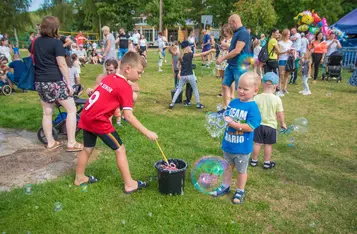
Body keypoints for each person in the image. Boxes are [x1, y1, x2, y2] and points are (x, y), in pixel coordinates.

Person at [74, 52, 157, 194]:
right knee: (120, 149)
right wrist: (147, 132)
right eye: (139, 72)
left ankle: (79, 177)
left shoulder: (109, 78)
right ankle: (129, 184)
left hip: (86, 115)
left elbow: (106, 98)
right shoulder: (125, 87)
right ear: (128, 69)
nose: (140, 76)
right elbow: (129, 116)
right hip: (98, 121)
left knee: (87, 148)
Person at [30, 16, 83, 151]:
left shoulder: (35, 43)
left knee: (47, 113)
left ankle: (50, 143)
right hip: (54, 81)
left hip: (40, 82)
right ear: (55, 28)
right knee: (71, 109)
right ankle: (71, 143)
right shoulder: (56, 43)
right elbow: (62, 64)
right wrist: (69, 84)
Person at [217, 72, 261, 204]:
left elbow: (251, 126)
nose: (241, 91)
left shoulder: (253, 108)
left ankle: (240, 190)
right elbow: (227, 115)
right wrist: (223, 119)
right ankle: (225, 186)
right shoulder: (233, 102)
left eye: (245, 89)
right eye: (239, 87)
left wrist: (233, 124)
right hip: (228, 144)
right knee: (227, 168)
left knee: (241, 171)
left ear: (255, 91)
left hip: (242, 148)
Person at [250, 72, 286, 170]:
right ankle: (266, 162)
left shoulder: (256, 97)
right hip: (271, 126)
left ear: (262, 83)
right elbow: (280, 113)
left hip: (258, 125)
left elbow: (252, 111)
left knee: (257, 143)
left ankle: (254, 160)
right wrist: (283, 123)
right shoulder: (277, 99)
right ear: (276, 85)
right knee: (268, 145)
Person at [216, 14, 250, 113]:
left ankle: (242, 110)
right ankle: (225, 108)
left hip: (239, 65)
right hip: (231, 64)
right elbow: (234, 47)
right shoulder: (237, 33)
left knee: (241, 89)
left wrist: (222, 58)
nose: (229, 26)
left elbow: (237, 50)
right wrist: (227, 47)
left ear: (234, 22)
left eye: (230, 24)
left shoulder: (243, 33)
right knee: (225, 85)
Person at [169, 41, 210, 109]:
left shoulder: (180, 56)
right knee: (195, 89)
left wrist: (180, 69)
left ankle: (172, 104)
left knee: (179, 89)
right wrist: (210, 51)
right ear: (187, 47)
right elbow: (201, 54)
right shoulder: (190, 54)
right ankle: (198, 104)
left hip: (182, 76)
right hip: (190, 75)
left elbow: (177, 65)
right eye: (189, 46)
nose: (190, 47)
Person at [216, 24, 234, 97]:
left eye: (225, 31)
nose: (224, 33)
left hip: (228, 57)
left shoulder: (233, 39)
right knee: (223, 76)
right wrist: (221, 46)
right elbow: (223, 46)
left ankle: (232, 94)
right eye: (224, 31)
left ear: (229, 31)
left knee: (230, 76)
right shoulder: (224, 38)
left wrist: (225, 45)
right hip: (222, 56)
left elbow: (232, 48)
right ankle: (224, 92)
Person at [277, 29, 294, 96]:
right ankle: (279, 89)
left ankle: (285, 88)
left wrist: (292, 52)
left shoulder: (290, 42)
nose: (289, 36)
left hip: (288, 59)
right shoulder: (280, 43)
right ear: (285, 35)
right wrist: (286, 52)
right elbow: (278, 52)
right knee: (281, 74)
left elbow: (292, 49)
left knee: (287, 74)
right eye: (288, 34)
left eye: (290, 34)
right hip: (282, 59)